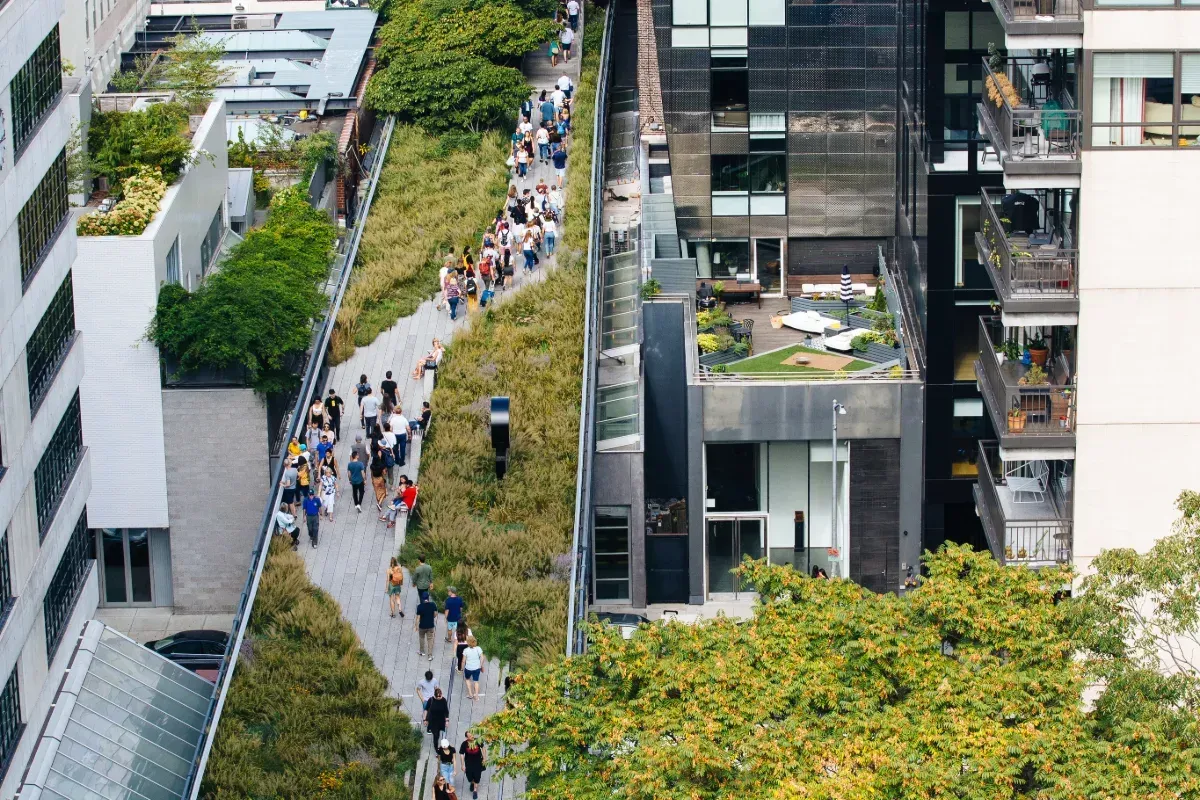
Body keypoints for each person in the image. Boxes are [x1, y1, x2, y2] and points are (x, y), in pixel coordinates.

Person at [458, 731, 487, 799]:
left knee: (477, 776)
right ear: (467, 737)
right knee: (469, 777)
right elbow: (461, 754)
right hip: (469, 763)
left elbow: (483, 748)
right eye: (470, 736)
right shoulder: (464, 744)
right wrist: (462, 765)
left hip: (478, 762)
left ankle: (475, 790)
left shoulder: (478, 741)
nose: (472, 737)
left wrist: (484, 758)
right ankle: (472, 782)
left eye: (472, 735)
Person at [415, 593, 438, 660]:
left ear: (422, 598)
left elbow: (418, 618)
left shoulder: (419, 606)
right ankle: (430, 655)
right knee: (430, 639)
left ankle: (422, 651)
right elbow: (435, 614)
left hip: (422, 626)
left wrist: (416, 626)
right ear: (428, 598)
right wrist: (432, 617)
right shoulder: (433, 605)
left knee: (421, 637)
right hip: (430, 625)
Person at [462, 635, 485, 700]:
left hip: (468, 668)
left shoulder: (465, 650)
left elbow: (463, 661)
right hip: (477, 668)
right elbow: (482, 657)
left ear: (468, 642)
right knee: (476, 681)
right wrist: (480, 665)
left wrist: (462, 668)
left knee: (467, 679)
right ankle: (476, 696)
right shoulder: (478, 648)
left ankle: (470, 694)